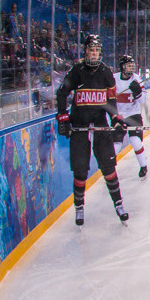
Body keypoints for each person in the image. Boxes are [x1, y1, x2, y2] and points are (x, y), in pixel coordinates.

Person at [55, 35, 128, 226]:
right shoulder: (77, 71)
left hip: (100, 125)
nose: (94, 53)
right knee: (80, 171)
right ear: (85, 51)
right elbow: (62, 93)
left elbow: (111, 102)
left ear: (99, 52)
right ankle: (79, 208)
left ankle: (119, 205)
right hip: (79, 127)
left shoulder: (106, 73)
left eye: (97, 50)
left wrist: (116, 119)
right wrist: (63, 117)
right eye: (91, 49)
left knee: (109, 168)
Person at [114, 54, 149, 179]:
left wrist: (138, 92)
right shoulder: (114, 79)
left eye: (132, 66)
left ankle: (143, 166)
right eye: (128, 66)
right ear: (122, 67)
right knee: (116, 144)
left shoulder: (136, 78)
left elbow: (143, 100)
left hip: (134, 114)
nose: (131, 68)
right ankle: (110, 170)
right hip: (119, 116)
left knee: (135, 141)